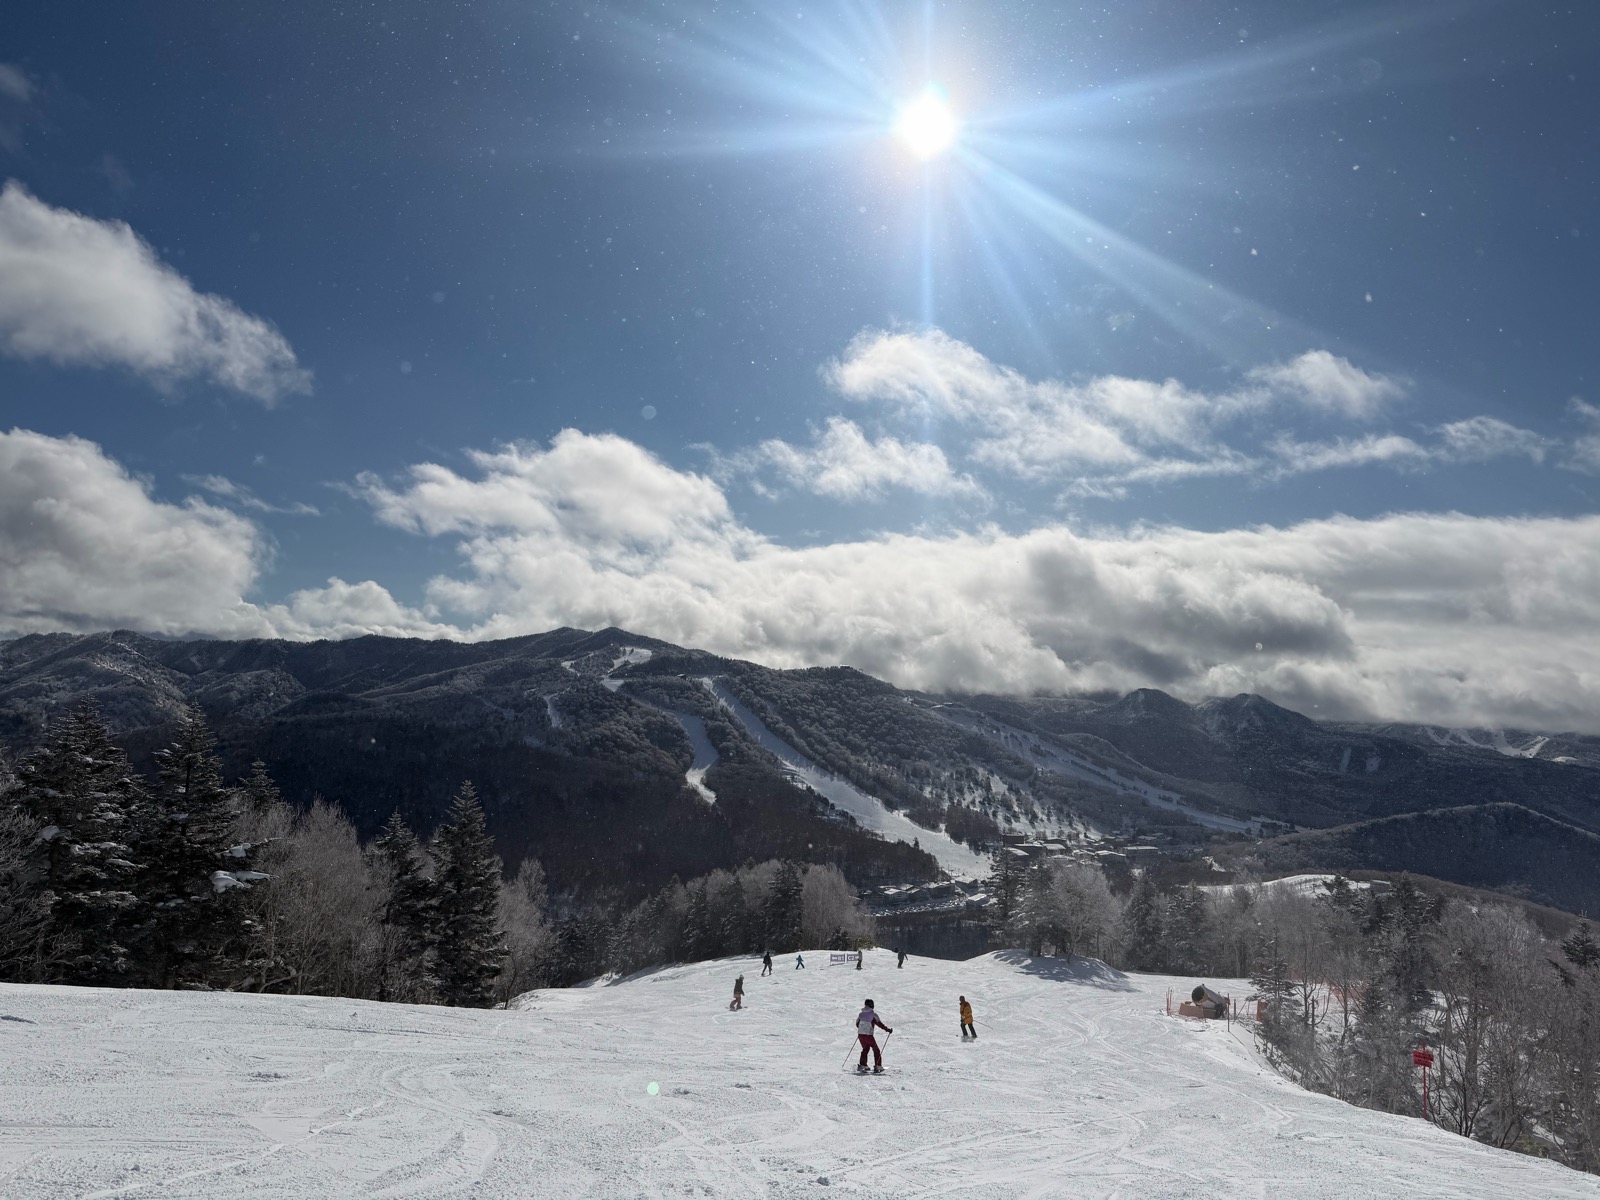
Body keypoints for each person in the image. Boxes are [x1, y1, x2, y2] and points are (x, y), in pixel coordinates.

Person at [855, 999, 892, 1073]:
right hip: (869, 1035)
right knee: (876, 1049)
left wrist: (862, 1029)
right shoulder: (873, 1015)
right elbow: (879, 1024)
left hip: (860, 1035)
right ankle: (878, 1066)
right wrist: (887, 1030)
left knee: (865, 1049)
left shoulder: (861, 1014)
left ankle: (863, 1065)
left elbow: (857, 1024)